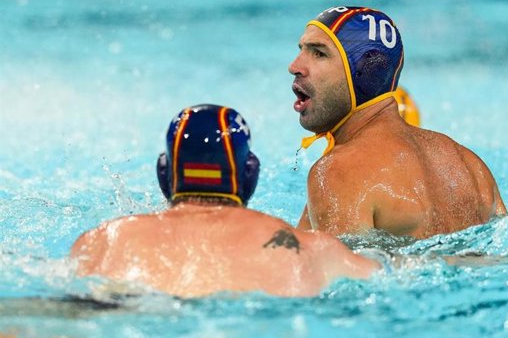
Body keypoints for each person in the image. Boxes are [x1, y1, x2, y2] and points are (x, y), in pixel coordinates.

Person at [70, 105, 379, 298]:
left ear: (165, 174)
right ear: (249, 174)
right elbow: (392, 275)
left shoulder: (102, 242)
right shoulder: (312, 250)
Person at [289, 6, 507, 239]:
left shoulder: (337, 173)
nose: (295, 66)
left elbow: (335, 272)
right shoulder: (472, 167)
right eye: (301, 50)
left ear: (363, 73)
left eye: (319, 53)